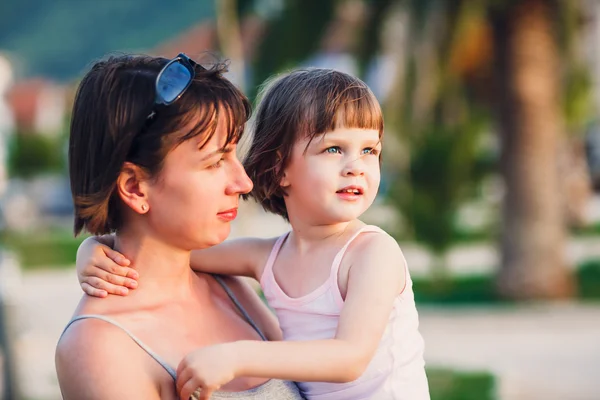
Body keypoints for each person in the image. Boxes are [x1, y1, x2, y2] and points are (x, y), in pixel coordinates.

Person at [77, 68, 430, 399]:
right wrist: (96, 247)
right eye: (334, 149)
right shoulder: (267, 257)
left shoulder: (371, 253)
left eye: (370, 150)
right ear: (279, 168)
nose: (356, 167)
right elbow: (165, 250)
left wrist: (238, 357)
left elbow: (350, 358)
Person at [55, 53, 305, 400]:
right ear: (134, 187)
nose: (243, 182)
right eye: (215, 162)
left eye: (233, 155)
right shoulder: (101, 347)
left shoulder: (228, 285)